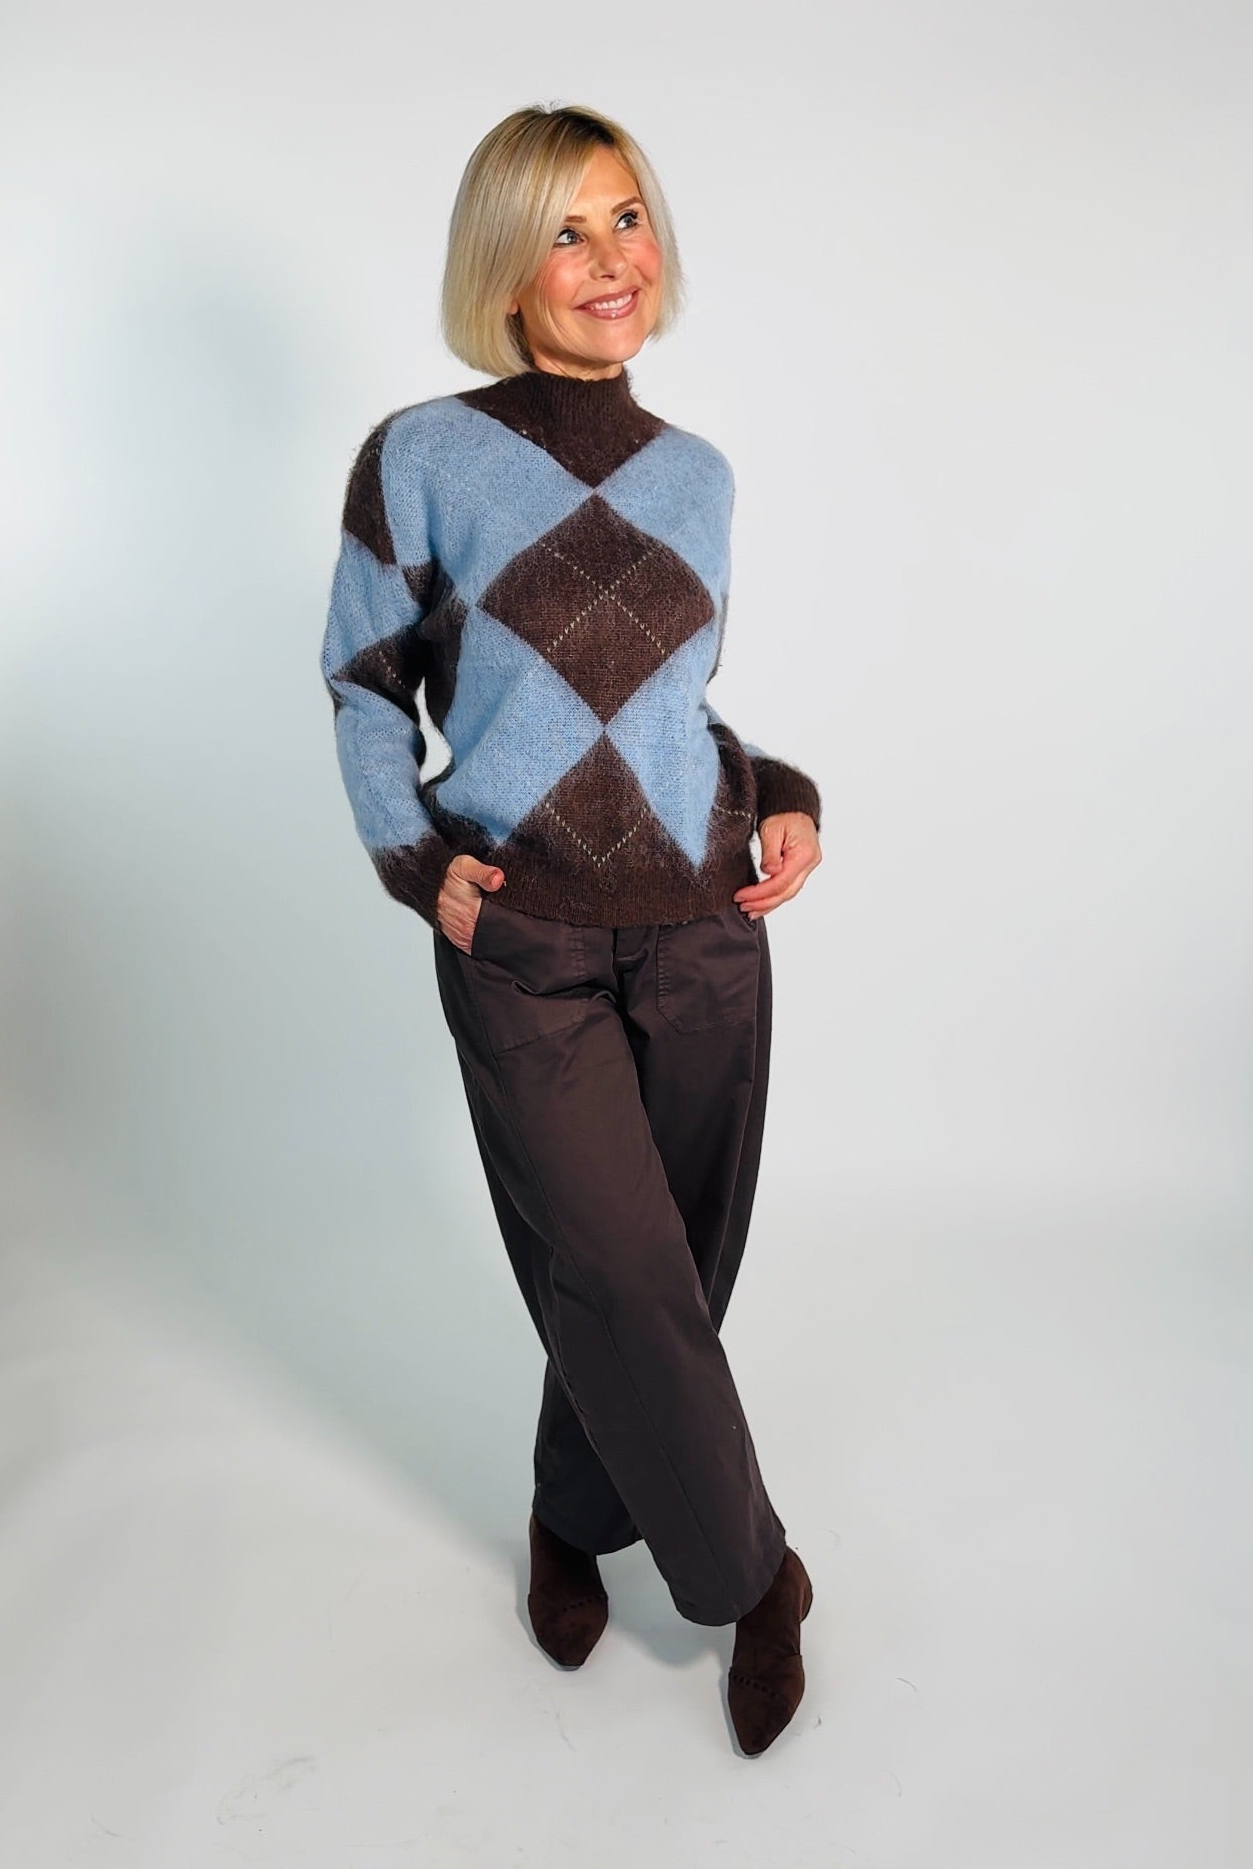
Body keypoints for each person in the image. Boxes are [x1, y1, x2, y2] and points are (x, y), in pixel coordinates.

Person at [319, 103, 824, 1755]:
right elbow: (363, 683)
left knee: (669, 1274)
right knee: (611, 1267)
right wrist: (413, 856)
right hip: (522, 931)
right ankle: (755, 1583)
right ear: (504, 269)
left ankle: (568, 1508)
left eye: (626, 219)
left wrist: (782, 791)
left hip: (703, 924)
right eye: (565, 230)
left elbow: (668, 716)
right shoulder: (421, 455)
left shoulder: (700, 477)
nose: (610, 259)